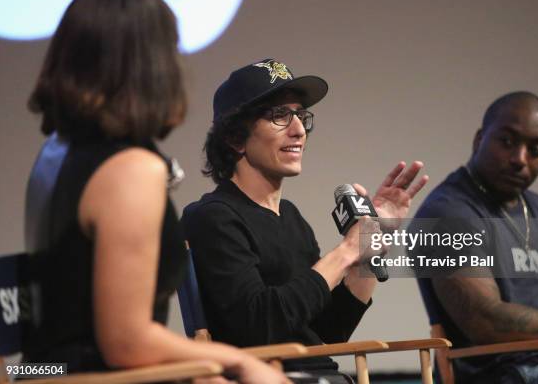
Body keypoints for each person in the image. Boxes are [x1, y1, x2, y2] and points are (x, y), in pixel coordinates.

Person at [23, 0, 290, 383]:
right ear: (152, 64)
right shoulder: (131, 170)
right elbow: (126, 342)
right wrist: (238, 361)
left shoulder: (54, 153)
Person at [181, 59, 428, 383]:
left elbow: (330, 329)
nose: (298, 129)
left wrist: (369, 246)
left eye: (300, 115)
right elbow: (260, 324)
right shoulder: (212, 217)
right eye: (279, 116)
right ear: (234, 137)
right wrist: (345, 251)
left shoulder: (291, 217)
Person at [413, 91, 538, 383]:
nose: (520, 159)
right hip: (501, 373)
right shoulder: (446, 213)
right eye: (507, 141)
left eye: (536, 149)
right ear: (479, 139)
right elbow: (484, 319)